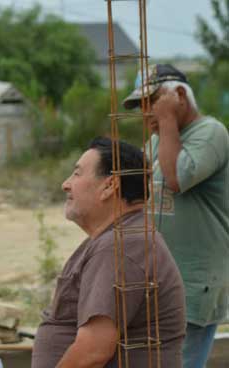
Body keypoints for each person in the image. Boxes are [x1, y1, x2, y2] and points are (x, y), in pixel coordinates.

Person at [31, 137, 186, 368]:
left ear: (109, 186)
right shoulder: (120, 238)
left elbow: (92, 352)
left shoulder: (120, 246)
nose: (66, 184)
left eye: (77, 174)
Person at [123, 64, 229, 368]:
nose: (146, 115)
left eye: (152, 103)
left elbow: (177, 179)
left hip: (194, 282)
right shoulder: (159, 140)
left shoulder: (210, 133)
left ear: (179, 95)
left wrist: (167, 119)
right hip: (162, 280)